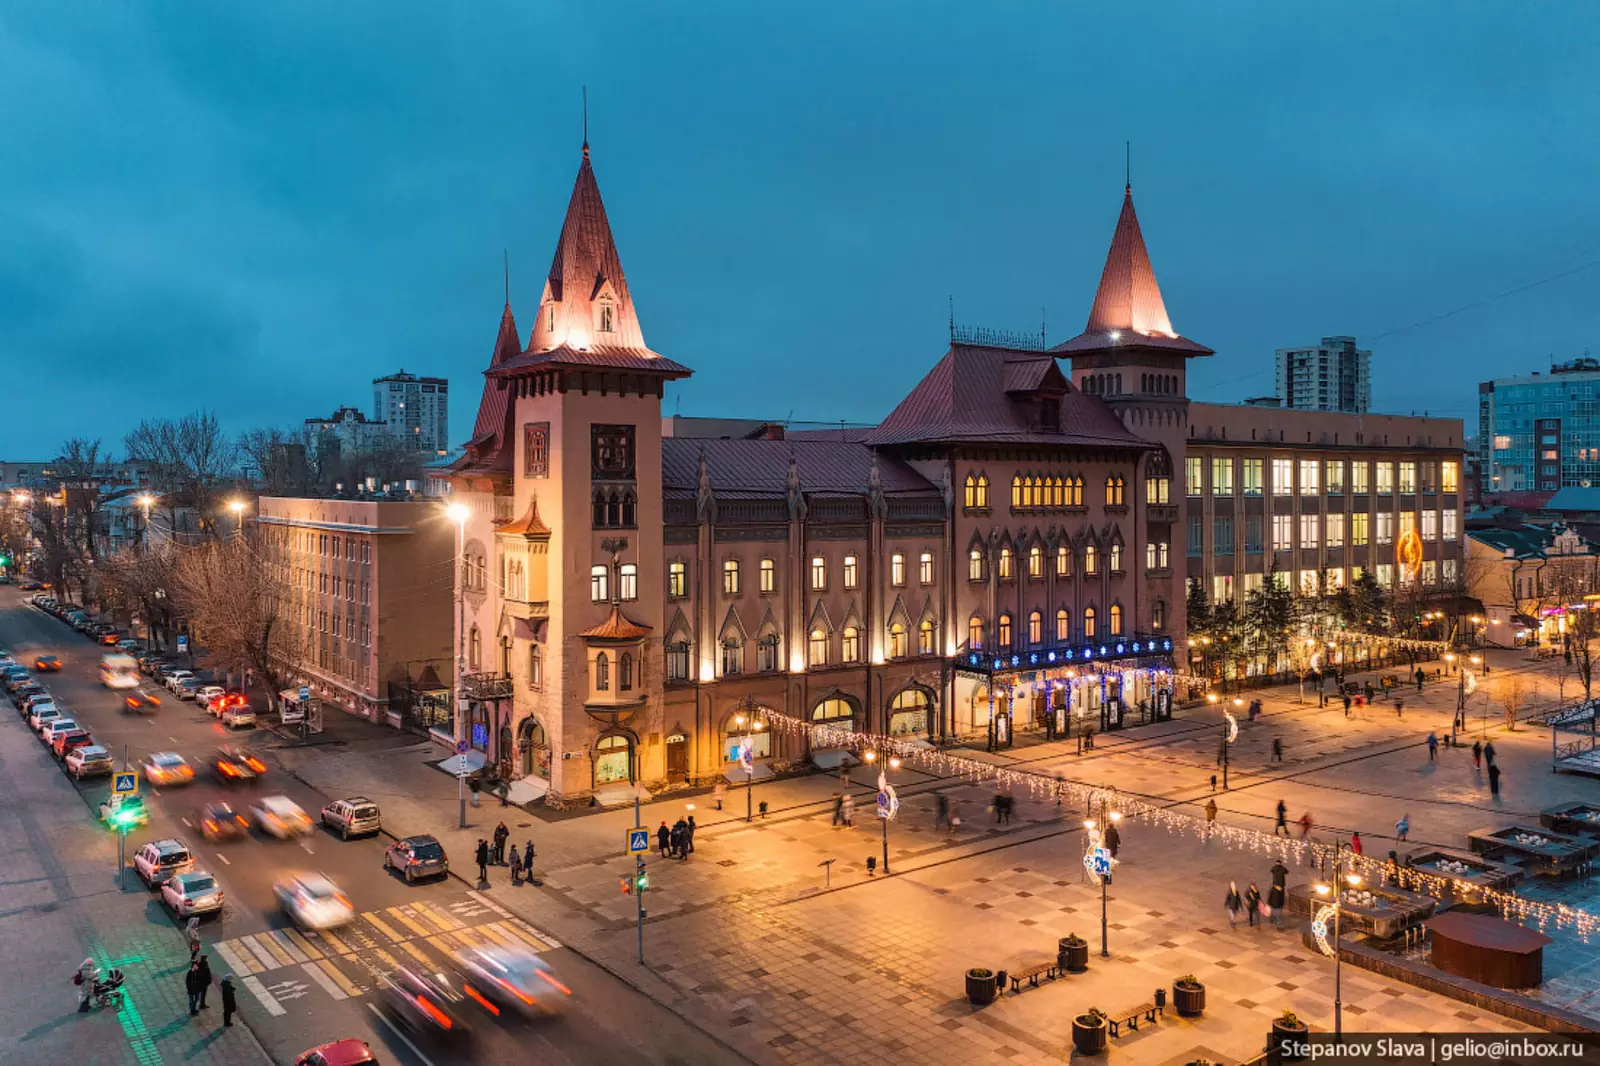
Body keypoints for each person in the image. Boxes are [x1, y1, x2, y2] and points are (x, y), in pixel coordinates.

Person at [1268, 859, 1288, 928]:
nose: (1278, 864)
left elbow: (1286, 871)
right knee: (1276, 913)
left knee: (1276, 913)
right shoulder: (1274, 890)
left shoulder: (1281, 869)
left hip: (1277, 904)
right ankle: (1277, 923)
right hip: (1275, 904)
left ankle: (1276, 922)